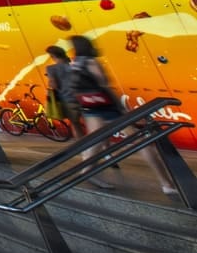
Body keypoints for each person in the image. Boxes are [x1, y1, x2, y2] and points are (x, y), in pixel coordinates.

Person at [68, 35, 179, 196]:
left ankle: (86, 172)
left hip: (89, 107)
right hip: (107, 106)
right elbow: (103, 82)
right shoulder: (91, 62)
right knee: (140, 142)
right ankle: (166, 183)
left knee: (96, 142)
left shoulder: (75, 63)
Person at [44, 45, 81, 136]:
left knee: (76, 125)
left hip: (68, 99)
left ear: (53, 56)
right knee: (91, 122)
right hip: (82, 97)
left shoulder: (51, 68)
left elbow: (54, 85)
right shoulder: (74, 65)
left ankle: (85, 147)